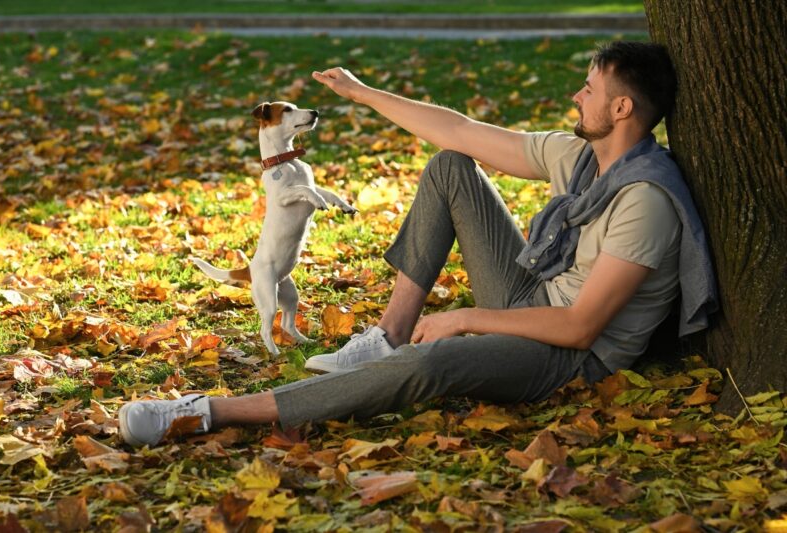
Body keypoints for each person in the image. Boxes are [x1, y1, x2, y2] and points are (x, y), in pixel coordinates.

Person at [118, 41, 717, 448]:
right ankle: (388, 335)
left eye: (587, 90)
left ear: (621, 107)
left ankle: (206, 411)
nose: (575, 98)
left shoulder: (644, 201)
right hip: (532, 297)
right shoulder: (581, 156)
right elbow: (460, 131)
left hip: (571, 357)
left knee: (432, 364)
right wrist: (365, 94)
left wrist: (462, 319)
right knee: (451, 165)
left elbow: (581, 328)